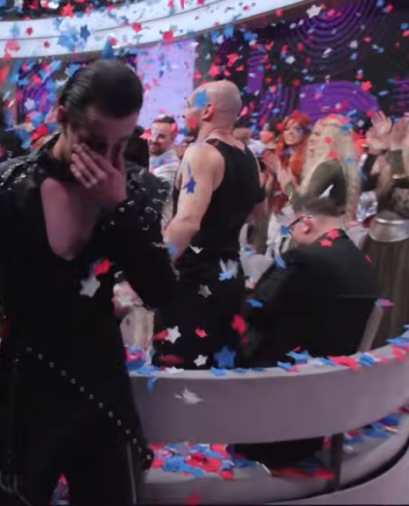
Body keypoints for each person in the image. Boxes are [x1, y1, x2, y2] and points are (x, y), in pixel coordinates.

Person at [0, 60, 175, 506]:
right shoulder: (4, 185)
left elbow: (161, 291)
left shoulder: (132, 188)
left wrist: (119, 208)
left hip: (99, 382)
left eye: (123, 144)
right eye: (96, 143)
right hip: (25, 380)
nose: (110, 160)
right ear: (62, 116)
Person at [237, 195, 377, 466]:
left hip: (278, 396)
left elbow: (256, 309)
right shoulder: (363, 263)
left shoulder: (301, 260)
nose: (291, 234)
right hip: (325, 396)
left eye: (291, 227)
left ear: (306, 223)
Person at [153, 80, 265, 370]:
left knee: (178, 381)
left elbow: (187, 221)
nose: (184, 113)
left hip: (193, 285)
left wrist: (153, 270)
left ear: (207, 111)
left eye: (190, 105)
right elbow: (258, 212)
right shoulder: (249, 156)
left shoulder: (201, 152)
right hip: (230, 280)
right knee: (218, 378)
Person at [364, 113, 409, 348]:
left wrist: (395, 150)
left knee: (395, 303)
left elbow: (405, 202)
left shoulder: (398, 155)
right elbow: (364, 186)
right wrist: (377, 151)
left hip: (403, 245)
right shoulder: (393, 156)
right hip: (376, 238)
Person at [275, 115, 361, 222]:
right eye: (313, 133)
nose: (311, 138)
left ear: (332, 139)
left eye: (318, 134)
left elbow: (303, 207)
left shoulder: (328, 167)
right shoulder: (340, 165)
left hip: (325, 227)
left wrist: (288, 186)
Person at [264, 111, 312, 256]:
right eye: (287, 129)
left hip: (296, 214)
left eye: (297, 129)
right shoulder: (281, 157)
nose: (290, 133)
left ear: (305, 133)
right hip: (277, 213)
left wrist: (282, 174)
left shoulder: (309, 161)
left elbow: (302, 194)